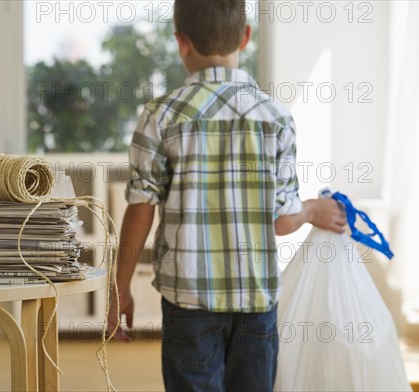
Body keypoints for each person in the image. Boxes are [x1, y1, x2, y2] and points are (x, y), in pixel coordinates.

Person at [107, 1, 346, 391]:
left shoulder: (160, 115)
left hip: (188, 302)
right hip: (255, 303)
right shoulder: (276, 118)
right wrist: (313, 210)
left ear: (181, 43)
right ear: (246, 37)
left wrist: (120, 289)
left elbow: (140, 209)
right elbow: (283, 222)